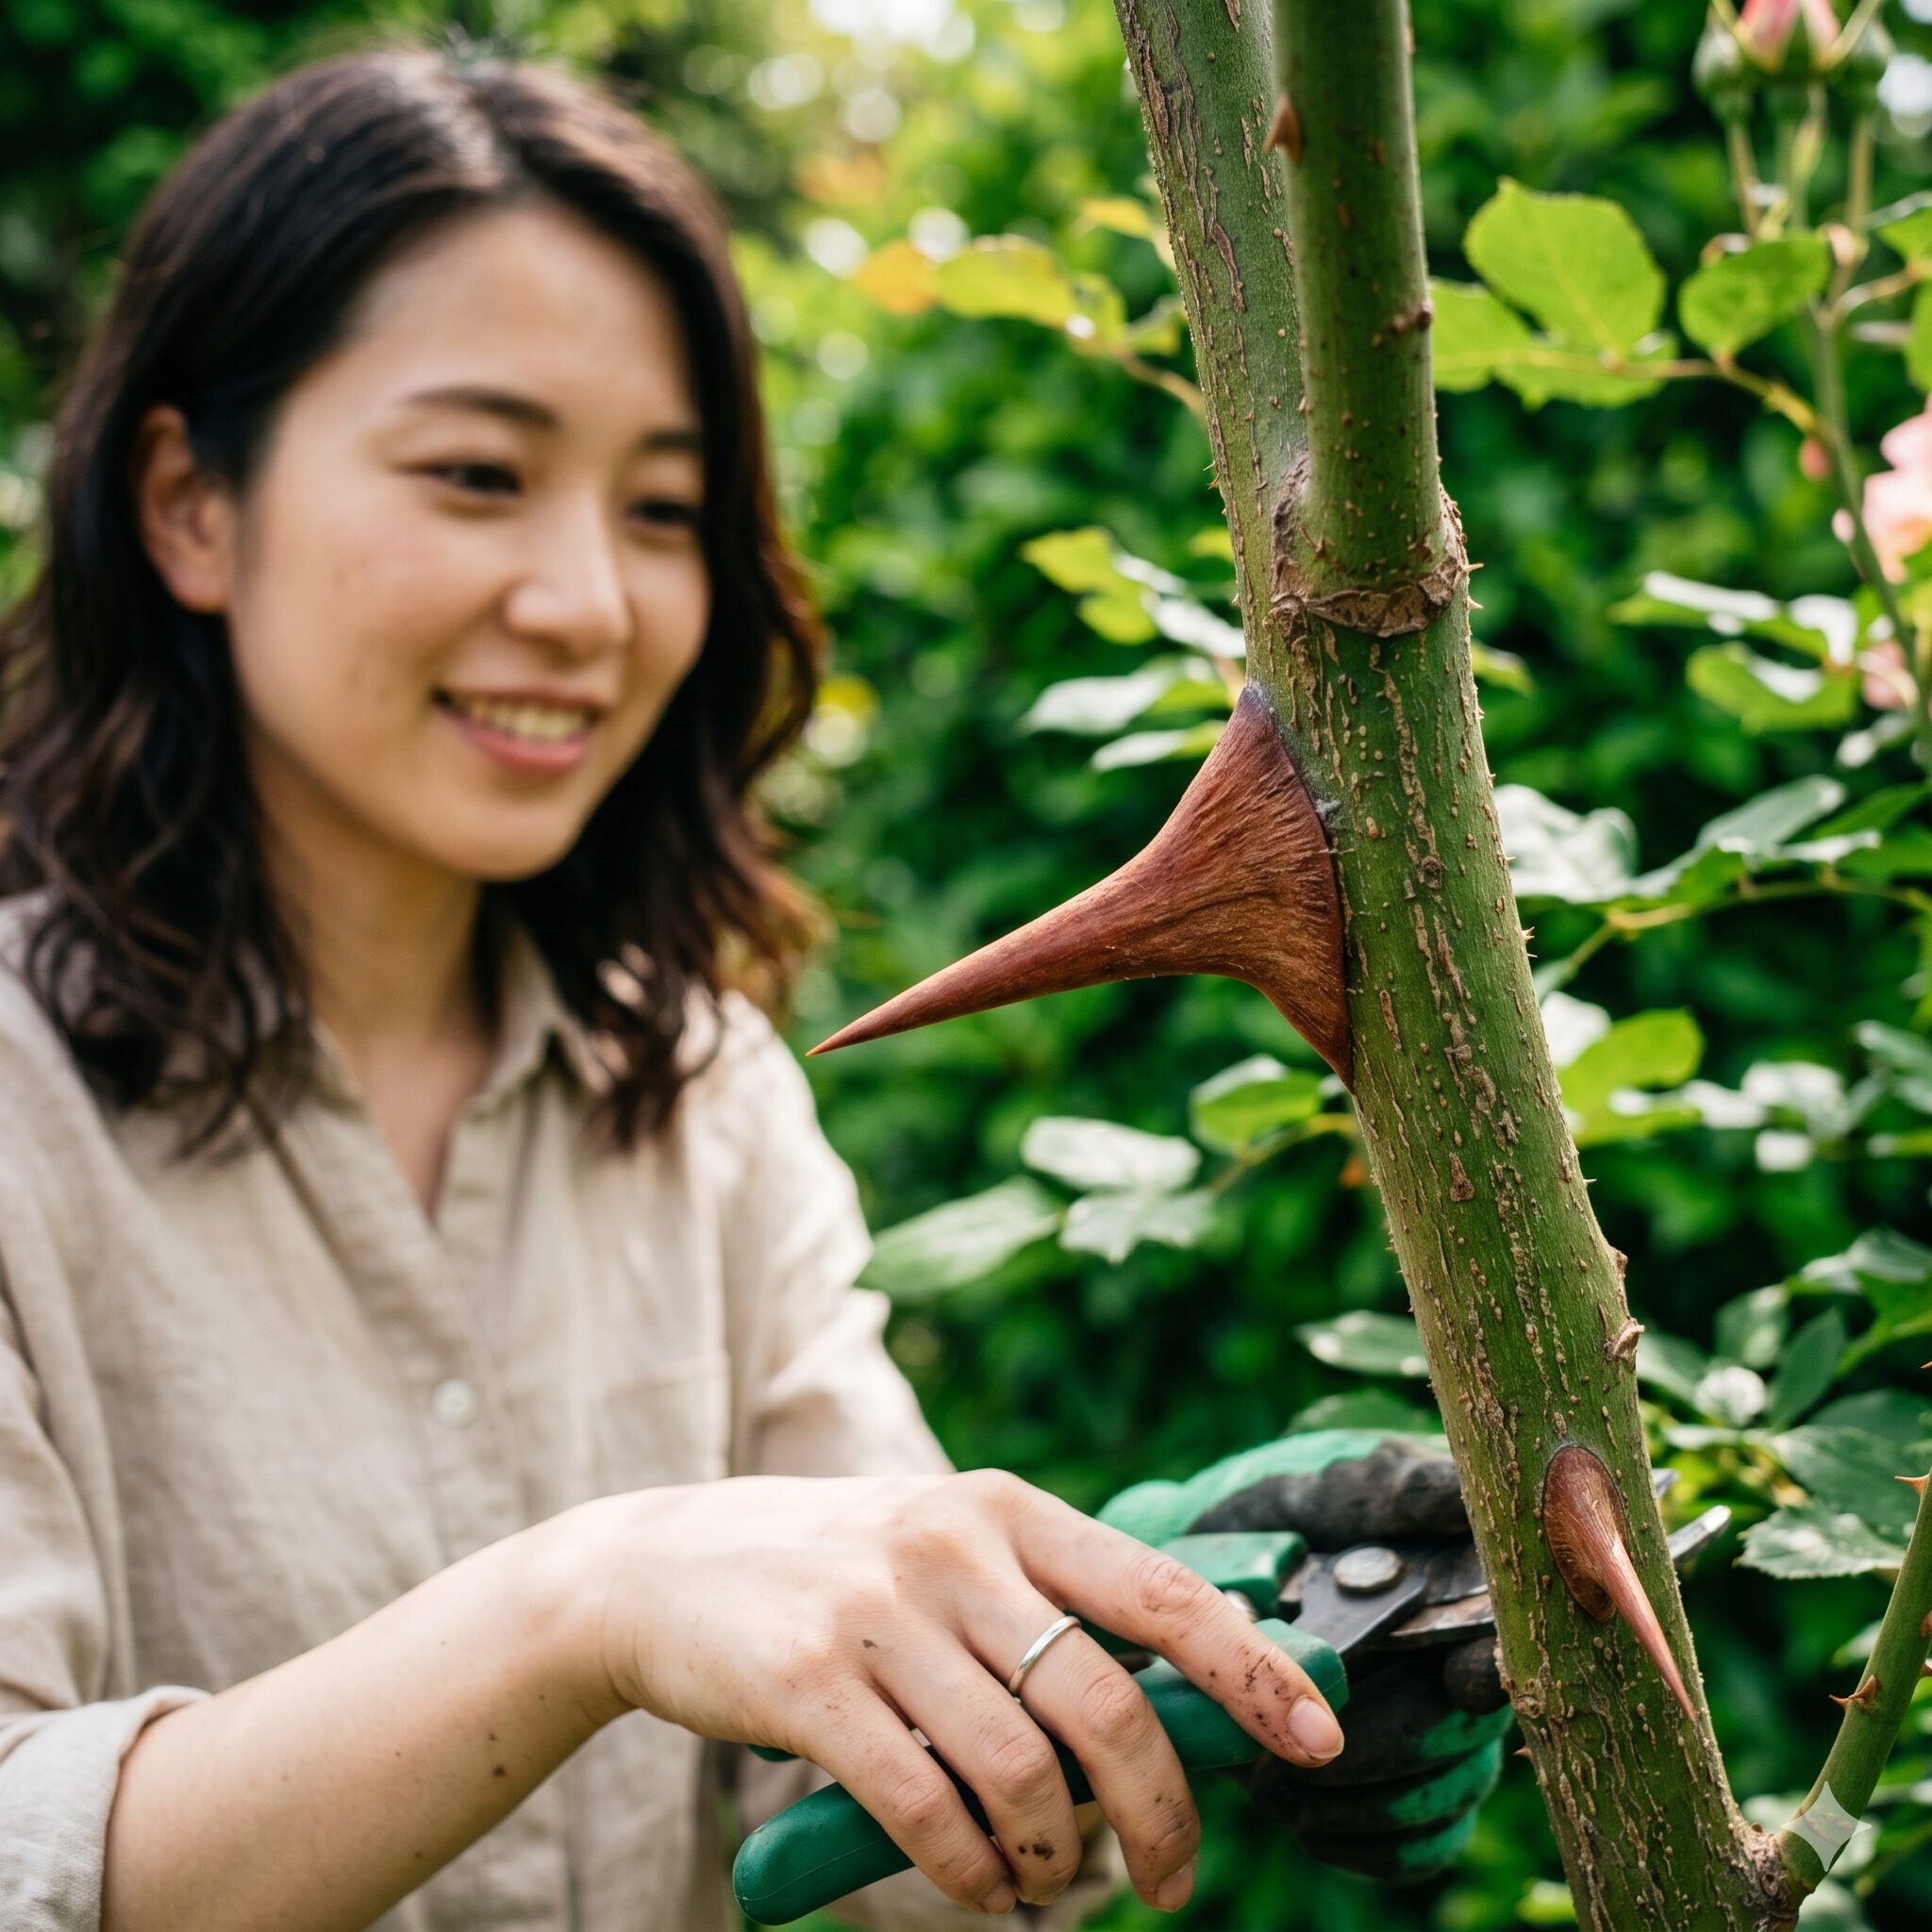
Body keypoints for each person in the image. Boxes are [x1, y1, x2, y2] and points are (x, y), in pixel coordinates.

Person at [0, 38, 1501, 1932]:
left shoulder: (699, 1094)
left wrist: (1142, 1644)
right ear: (187, 506)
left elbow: (872, 1820)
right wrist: (589, 1601)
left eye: (662, 509)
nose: (587, 603)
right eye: (477, 475)